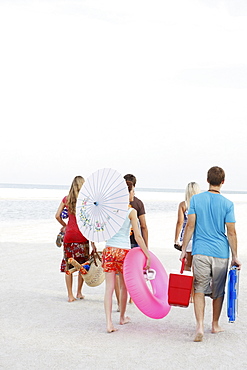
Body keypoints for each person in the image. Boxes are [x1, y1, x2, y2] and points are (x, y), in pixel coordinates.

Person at [180, 166, 241, 342]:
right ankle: (214, 324)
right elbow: (231, 232)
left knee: (199, 289)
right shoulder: (228, 204)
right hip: (221, 253)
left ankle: (199, 325)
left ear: (207, 180)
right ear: (223, 182)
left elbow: (190, 226)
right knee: (218, 290)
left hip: (200, 252)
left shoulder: (196, 200)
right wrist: (235, 255)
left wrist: (184, 250)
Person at [102, 180, 151, 333]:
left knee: (109, 288)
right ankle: (122, 317)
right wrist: (147, 254)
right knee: (124, 287)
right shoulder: (131, 212)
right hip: (124, 252)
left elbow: (103, 231)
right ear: (127, 193)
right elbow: (137, 236)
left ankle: (109, 323)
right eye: (132, 191)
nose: (134, 194)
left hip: (109, 250)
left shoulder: (109, 210)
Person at [55, 176, 96, 302]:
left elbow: (57, 216)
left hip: (69, 236)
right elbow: (90, 223)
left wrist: (65, 226)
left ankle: (70, 295)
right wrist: (93, 243)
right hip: (82, 236)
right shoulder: (87, 202)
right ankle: (79, 292)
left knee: (69, 264)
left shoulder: (66, 199)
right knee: (82, 265)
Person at [174, 182, 200, 271]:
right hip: (200, 238)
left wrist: (176, 239)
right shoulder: (201, 205)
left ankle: (187, 284)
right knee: (198, 268)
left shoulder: (183, 204)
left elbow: (180, 222)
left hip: (187, 239)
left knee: (187, 266)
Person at [123, 174, 148, 248]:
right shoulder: (138, 203)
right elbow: (143, 226)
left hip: (118, 243)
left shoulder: (115, 203)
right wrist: (146, 246)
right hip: (134, 241)